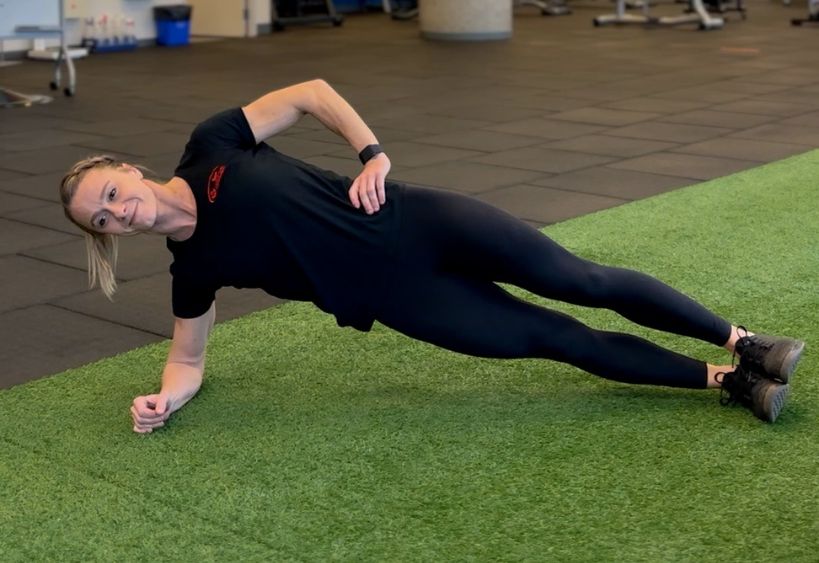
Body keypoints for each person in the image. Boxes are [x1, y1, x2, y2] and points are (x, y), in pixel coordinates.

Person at [59, 80, 804, 433]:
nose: (118, 211)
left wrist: (372, 154)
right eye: (102, 218)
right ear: (108, 234)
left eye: (110, 192)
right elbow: (187, 360)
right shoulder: (192, 270)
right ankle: (726, 381)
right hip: (405, 300)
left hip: (418, 222)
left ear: (125, 168)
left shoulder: (211, 145)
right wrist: (166, 399)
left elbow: (311, 93)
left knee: (578, 279)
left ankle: (745, 341)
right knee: (554, 338)